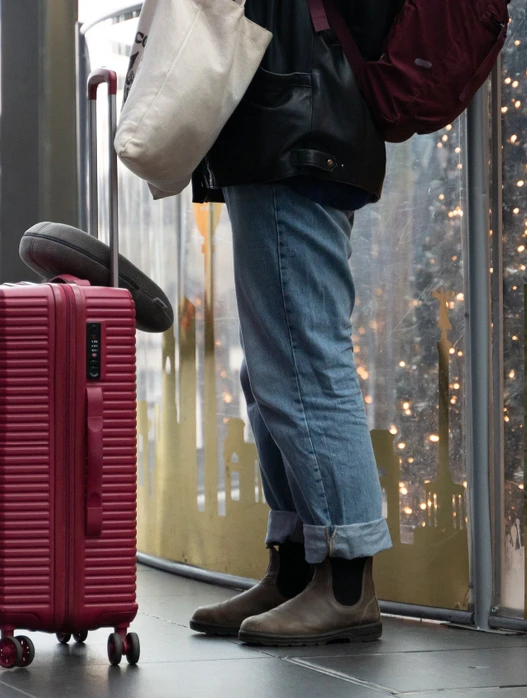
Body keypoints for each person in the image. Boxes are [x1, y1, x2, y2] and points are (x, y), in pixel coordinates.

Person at [188, 0, 401, 646]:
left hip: (299, 130)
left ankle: (345, 581)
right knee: (273, 370)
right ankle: (296, 563)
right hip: (288, 128)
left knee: (305, 365)